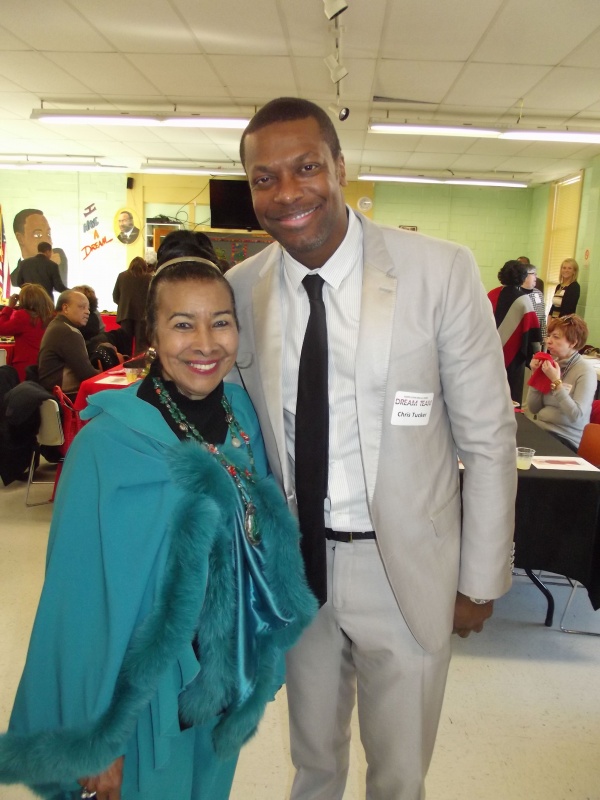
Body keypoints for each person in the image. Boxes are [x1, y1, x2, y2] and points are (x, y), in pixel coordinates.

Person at [227, 97, 517, 800]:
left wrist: (480, 579)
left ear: (339, 166)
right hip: (299, 566)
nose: (287, 192)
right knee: (313, 762)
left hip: (406, 567)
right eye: (265, 178)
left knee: (399, 773)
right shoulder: (242, 289)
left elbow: (488, 436)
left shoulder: (439, 270)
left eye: (305, 168)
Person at [0, 257, 316, 800]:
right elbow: (78, 602)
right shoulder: (107, 445)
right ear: (151, 334)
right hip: (142, 697)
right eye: (182, 324)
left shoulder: (241, 414)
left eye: (220, 322)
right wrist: (96, 736)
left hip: (221, 682)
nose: (205, 343)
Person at [528, 315, 596, 451]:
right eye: (549, 336)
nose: (548, 341)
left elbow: (576, 416)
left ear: (573, 343)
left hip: (565, 438)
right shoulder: (552, 365)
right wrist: (536, 375)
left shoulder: (585, 372)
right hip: (541, 429)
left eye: (556, 337)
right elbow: (533, 408)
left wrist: (556, 383)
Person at [488, 260, 542, 405]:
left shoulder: (491, 295)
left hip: (489, 353)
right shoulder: (524, 300)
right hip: (514, 358)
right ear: (523, 277)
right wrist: (537, 354)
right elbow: (533, 333)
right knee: (510, 396)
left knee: (490, 394)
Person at [37, 289, 99, 396]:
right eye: (82, 307)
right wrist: (105, 374)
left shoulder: (57, 325)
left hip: (50, 391)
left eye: (88, 308)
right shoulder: (68, 332)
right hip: (64, 396)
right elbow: (86, 374)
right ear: (65, 308)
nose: (87, 312)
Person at [0, 284, 54, 381]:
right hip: (45, 364)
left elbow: (1, 329)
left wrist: (9, 307)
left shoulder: (23, 316)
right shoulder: (50, 316)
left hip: (25, 365)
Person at [112, 257, 152, 353]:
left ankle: (125, 361)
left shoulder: (121, 276)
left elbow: (115, 296)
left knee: (125, 345)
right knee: (141, 346)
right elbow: (153, 297)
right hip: (142, 316)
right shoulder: (149, 278)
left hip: (125, 314)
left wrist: (123, 305)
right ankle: (139, 362)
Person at [521, 263, 547, 346]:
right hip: (522, 336)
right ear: (525, 276)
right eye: (533, 274)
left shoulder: (538, 293)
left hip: (536, 336)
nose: (536, 276)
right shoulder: (517, 293)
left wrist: (544, 337)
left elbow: (542, 317)